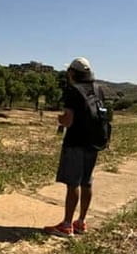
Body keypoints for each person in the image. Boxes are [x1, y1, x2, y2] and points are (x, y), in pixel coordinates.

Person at [44, 57, 103, 237]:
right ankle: (81, 222)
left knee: (73, 183)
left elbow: (68, 120)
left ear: (72, 72)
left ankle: (67, 224)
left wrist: (60, 120)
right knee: (87, 181)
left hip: (76, 142)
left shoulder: (73, 90)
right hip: (94, 142)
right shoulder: (98, 89)